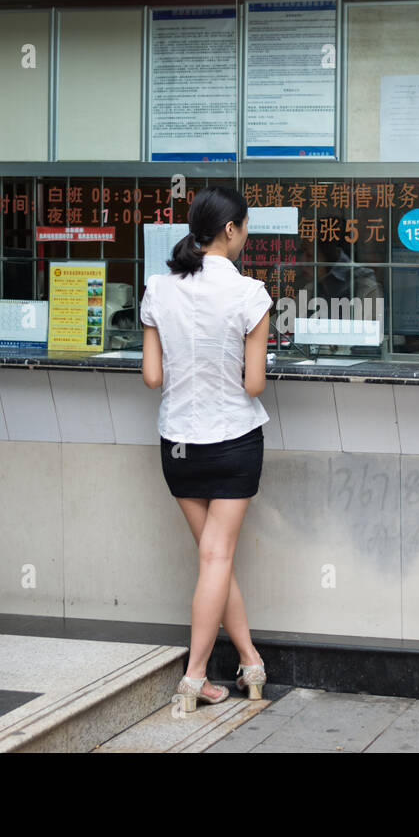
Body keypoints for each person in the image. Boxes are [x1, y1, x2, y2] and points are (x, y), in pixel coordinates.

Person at [139, 186, 272, 712]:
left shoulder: (157, 288)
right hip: (234, 442)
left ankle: (250, 661)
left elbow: (152, 377)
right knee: (216, 558)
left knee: (214, 558)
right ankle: (194, 678)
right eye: (245, 229)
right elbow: (255, 385)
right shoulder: (250, 294)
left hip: (179, 446)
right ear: (232, 230)